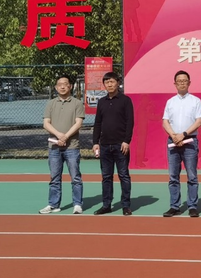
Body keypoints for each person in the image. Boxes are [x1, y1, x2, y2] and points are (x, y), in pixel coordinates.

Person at [162, 70, 201, 217]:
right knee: (173, 176)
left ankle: (192, 206)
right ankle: (174, 206)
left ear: (189, 83)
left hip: (189, 141)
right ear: (175, 84)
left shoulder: (196, 101)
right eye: (179, 81)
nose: (182, 83)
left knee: (192, 176)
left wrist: (183, 135)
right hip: (173, 142)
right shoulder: (170, 102)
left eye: (184, 81)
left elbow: (198, 121)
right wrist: (174, 136)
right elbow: (165, 121)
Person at [39, 75, 85, 214]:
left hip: (72, 147)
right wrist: (59, 135)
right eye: (60, 84)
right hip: (54, 147)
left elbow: (78, 123)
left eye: (65, 84)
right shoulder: (51, 104)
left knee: (75, 177)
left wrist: (66, 136)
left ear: (70, 86)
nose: (63, 86)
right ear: (56, 87)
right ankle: (53, 205)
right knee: (54, 178)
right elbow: (46, 123)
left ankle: (77, 204)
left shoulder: (77, 103)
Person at [92, 72, 135, 216]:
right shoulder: (101, 102)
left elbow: (130, 122)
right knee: (106, 177)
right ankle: (106, 205)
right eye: (107, 82)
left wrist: (126, 141)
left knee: (123, 175)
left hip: (120, 145)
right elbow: (98, 123)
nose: (109, 84)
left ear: (118, 83)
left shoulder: (125, 100)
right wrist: (95, 142)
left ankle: (126, 205)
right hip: (104, 145)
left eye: (112, 81)